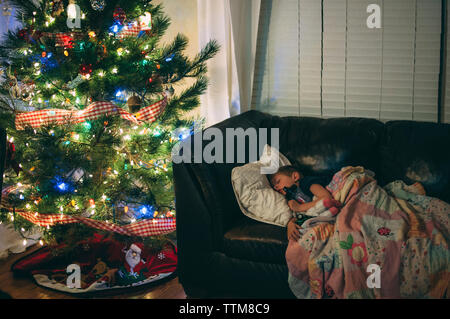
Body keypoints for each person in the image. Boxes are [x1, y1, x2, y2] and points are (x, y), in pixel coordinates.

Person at [268, 165, 341, 241]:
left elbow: (326, 198)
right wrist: (290, 224)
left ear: (295, 177)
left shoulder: (305, 182)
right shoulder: (291, 198)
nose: (276, 187)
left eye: (278, 182)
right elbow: (299, 214)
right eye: (274, 187)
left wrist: (299, 207)